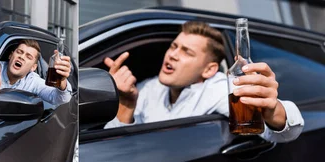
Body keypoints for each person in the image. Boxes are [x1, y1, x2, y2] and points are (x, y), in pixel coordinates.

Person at [103, 21, 303, 143]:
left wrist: (274, 112)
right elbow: (116, 147)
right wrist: (126, 105)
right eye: (174, 46)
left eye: (186, 52)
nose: (172, 55)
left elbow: (280, 134)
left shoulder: (218, 89)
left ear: (209, 70)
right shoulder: (148, 87)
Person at [0, 39, 72, 105]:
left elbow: (61, 99)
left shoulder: (32, 81)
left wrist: (62, 81)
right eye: (19, 52)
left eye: (28, 57)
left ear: (33, 67)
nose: (21, 57)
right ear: (10, 55)